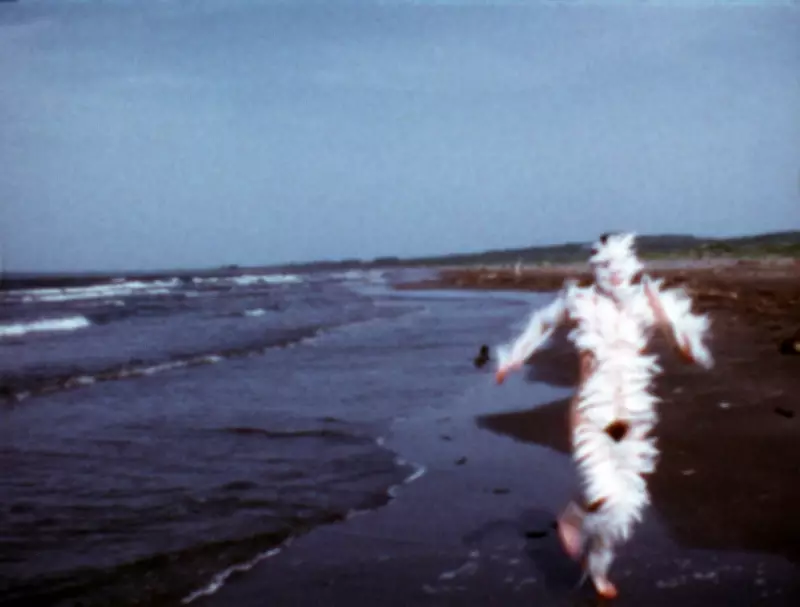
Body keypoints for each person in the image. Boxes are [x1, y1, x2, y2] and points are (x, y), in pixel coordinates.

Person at [494, 232, 714, 599]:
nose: (614, 273)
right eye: (606, 265)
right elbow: (543, 324)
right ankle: (573, 518)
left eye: (621, 265)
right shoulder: (579, 300)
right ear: (596, 268)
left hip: (632, 414)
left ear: (634, 266)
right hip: (590, 413)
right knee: (606, 492)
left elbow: (689, 352)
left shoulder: (650, 302)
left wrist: (667, 321)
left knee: (624, 504)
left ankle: (597, 568)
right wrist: (514, 358)